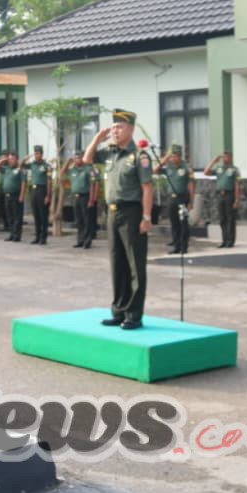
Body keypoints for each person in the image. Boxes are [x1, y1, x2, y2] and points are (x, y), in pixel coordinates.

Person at [86, 110, 153, 329]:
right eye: (113, 127)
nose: (115, 130)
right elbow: (87, 158)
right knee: (117, 263)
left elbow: (147, 188)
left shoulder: (139, 156)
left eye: (120, 127)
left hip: (132, 213)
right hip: (112, 213)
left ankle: (134, 314)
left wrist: (146, 217)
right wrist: (97, 138)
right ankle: (118, 310)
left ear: (131, 129)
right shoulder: (110, 153)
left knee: (135, 264)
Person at [161, 144, 194, 254]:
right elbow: (155, 170)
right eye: (172, 156)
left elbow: (190, 185)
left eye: (175, 156)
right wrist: (166, 157)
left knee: (183, 223)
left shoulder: (186, 167)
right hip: (171, 199)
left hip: (182, 198)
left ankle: (184, 247)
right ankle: (176, 246)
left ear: (180, 156)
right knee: (174, 223)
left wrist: (191, 201)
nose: (173, 158)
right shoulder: (169, 166)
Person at [203, 151, 241, 248]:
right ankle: (224, 240)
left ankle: (230, 240)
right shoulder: (219, 169)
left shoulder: (234, 169)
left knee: (230, 218)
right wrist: (213, 161)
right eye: (223, 157)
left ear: (231, 158)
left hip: (230, 194)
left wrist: (237, 199)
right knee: (222, 219)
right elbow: (206, 172)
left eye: (227, 157)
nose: (225, 159)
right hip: (220, 195)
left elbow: (237, 185)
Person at [64, 153, 99, 249]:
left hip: (85, 196)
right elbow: (63, 171)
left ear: (83, 159)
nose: (76, 160)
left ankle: (87, 241)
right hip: (76, 197)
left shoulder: (88, 169)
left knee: (86, 219)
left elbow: (93, 184)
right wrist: (68, 161)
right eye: (75, 158)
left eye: (78, 158)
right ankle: (80, 240)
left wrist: (92, 199)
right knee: (78, 220)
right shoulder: (73, 170)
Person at [22, 146, 53, 245]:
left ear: (42, 154)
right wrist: (26, 158)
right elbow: (21, 165)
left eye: (38, 153)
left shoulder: (46, 165)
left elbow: (49, 181)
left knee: (43, 215)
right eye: (35, 153)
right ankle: (37, 236)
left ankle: (43, 237)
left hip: (42, 190)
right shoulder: (32, 164)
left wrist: (48, 195)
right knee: (36, 215)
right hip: (34, 190)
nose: (36, 155)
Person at [0, 151, 27, 242]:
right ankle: (11, 234)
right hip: (7, 196)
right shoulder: (6, 168)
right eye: (9, 159)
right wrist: (3, 160)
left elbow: (23, 183)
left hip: (16, 195)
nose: (10, 161)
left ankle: (17, 235)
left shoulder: (21, 169)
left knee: (17, 216)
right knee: (9, 216)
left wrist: (22, 195)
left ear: (17, 159)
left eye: (12, 159)